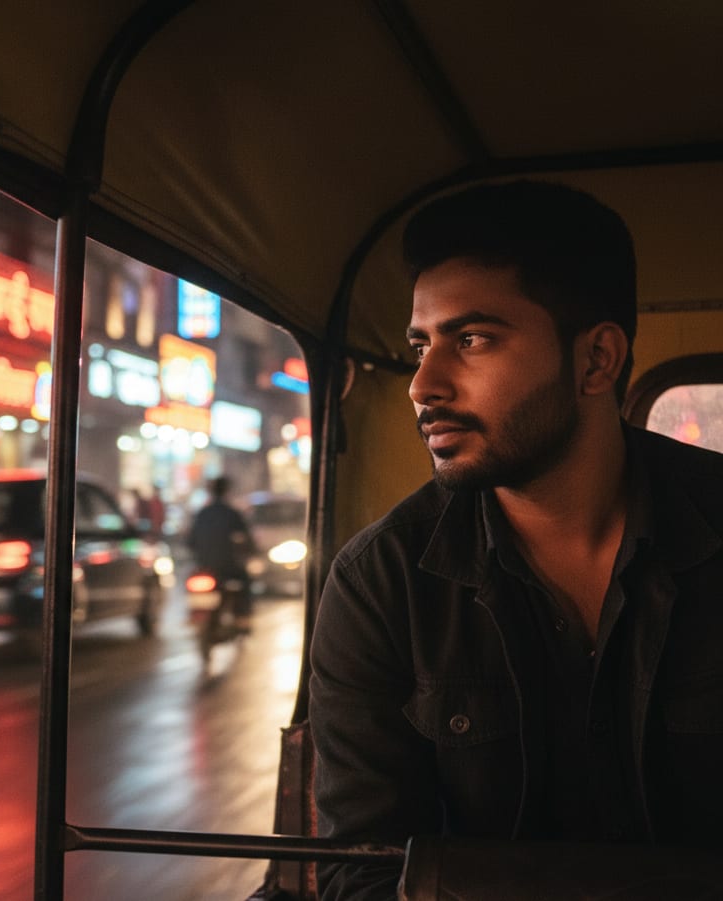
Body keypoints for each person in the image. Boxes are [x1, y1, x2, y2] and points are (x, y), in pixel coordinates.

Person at [308, 180, 723, 899]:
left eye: (471, 339)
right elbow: (365, 873)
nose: (423, 385)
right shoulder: (382, 581)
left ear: (596, 360)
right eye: (420, 345)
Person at [188, 475, 255, 631]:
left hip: (203, 565)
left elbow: (190, 541)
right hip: (228, 567)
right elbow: (246, 539)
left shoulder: (202, 514)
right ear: (227, 491)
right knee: (244, 582)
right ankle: (242, 618)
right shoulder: (232, 514)